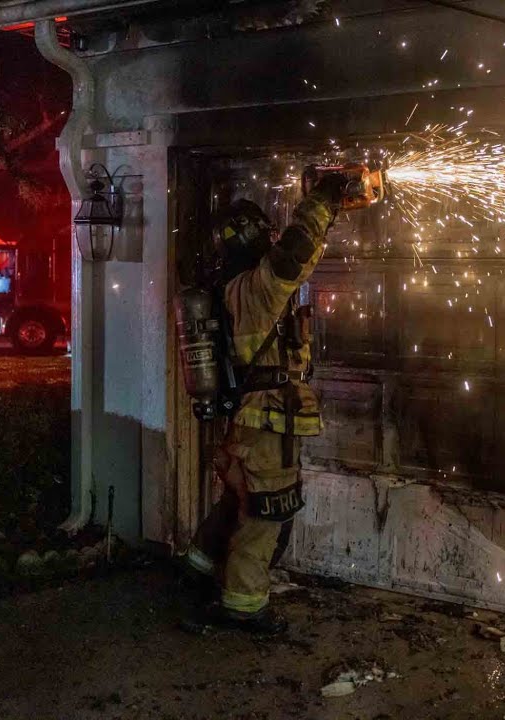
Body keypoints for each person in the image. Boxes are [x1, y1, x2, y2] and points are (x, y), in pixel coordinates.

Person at [178, 175, 346, 635]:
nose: (271, 239)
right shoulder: (257, 288)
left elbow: (296, 257)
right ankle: (244, 606)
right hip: (267, 421)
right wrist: (324, 199)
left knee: (237, 503)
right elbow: (295, 251)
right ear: (252, 237)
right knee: (264, 516)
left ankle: (195, 570)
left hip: (253, 421)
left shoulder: (236, 287)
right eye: (263, 234)